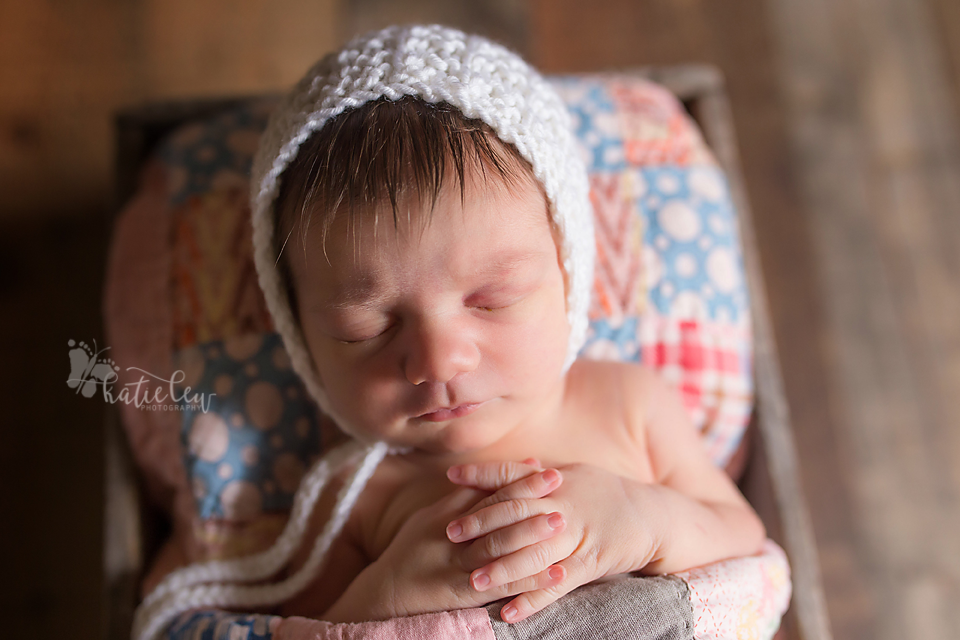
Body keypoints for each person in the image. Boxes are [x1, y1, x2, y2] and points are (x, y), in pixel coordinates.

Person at [133, 24, 767, 640]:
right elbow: (311, 632)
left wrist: (645, 520)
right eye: (366, 328)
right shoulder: (355, 500)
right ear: (302, 342)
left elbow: (743, 540)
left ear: (570, 276)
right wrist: (385, 597)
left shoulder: (630, 405)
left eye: (493, 300)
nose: (436, 362)